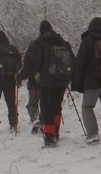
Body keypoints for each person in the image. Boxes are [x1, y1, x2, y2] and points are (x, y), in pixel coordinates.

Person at [19, 20, 74, 148]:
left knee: (47, 107)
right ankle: (56, 132)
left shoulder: (39, 44)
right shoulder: (63, 43)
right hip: (62, 80)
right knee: (57, 106)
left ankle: (49, 137)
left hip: (47, 81)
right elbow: (72, 60)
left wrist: (22, 76)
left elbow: (31, 63)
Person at [71, 17, 101, 144]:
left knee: (87, 107)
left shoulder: (88, 41)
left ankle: (93, 134)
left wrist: (77, 83)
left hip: (93, 82)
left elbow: (80, 63)